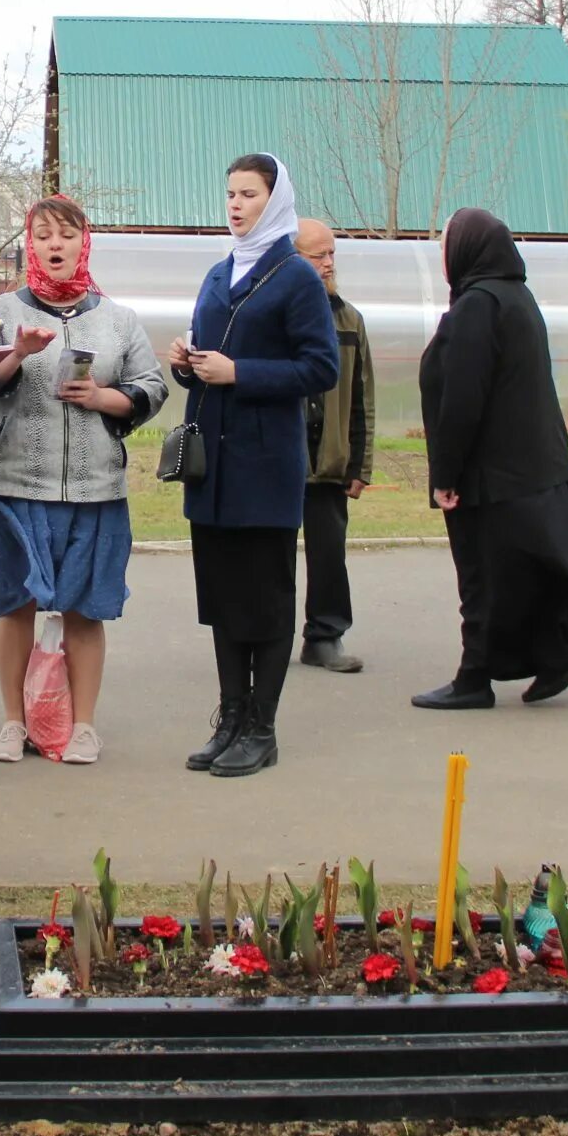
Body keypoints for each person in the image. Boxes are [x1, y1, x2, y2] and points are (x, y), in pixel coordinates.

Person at [0, 196, 168, 766]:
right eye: (43, 236)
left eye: (67, 235)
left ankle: (82, 726)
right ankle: (13, 722)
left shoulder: (119, 319)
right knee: (15, 606)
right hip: (9, 484)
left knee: (85, 609)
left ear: (85, 243)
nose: (55, 246)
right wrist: (14, 356)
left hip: (93, 489)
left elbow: (151, 387)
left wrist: (106, 398)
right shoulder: (0, 310)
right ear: (30, 245)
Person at [164, 154, 339, 778]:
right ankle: (230, 717)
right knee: (222, 597)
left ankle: (261, 728)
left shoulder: (295, 277)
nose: (235, 204)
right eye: (230, 193)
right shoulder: (218, 271)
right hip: (212, 465)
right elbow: (209, 346)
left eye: (249, 194)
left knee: (262, 597)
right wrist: (188, 361)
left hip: (264, 465)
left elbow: (322, 368)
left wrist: (240, 372)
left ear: (276, 200)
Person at [413, 207, 568, 710]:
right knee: (524, 575)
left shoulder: (477, 306)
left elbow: (464, 397)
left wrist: (446, 474)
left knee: (482, 578)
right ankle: (554, 659)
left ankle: (473, 681)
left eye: (449, 244)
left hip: (489, 476)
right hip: (531, 469)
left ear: (467, 251)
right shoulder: (517, 299)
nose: (445, 255)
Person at [294, 219, 375, 674]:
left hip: (329, 461)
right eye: (317, 256)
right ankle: (264, 641)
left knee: (328, 554)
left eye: (331, 256)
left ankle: (325, 638)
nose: (327, 264)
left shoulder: (349, 319)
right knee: (271, 559)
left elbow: (363, 395)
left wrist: (360, 464)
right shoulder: (277, 314)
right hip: (281, 459)